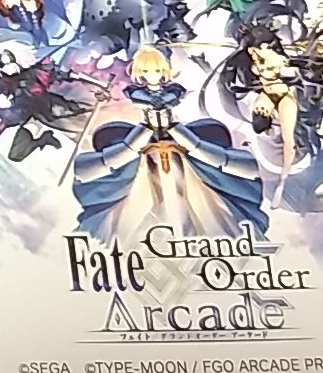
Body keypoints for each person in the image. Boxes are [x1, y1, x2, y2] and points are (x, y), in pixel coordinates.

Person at [73, 47, 267, 240]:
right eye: (147, 70)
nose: (153, 75)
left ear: (164, 71)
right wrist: (143, 132)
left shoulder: (173, 92)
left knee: (204, 175)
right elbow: (86, 170)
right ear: (139, 72)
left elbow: (244, 167)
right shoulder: (136, 93)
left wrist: (176, 131)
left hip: (175, 133)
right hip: (145, 135)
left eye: (157, 70)